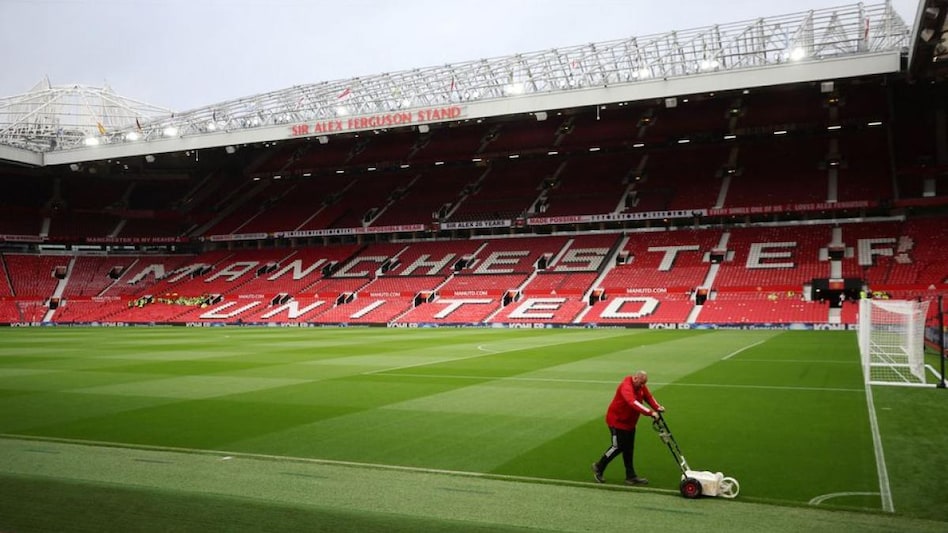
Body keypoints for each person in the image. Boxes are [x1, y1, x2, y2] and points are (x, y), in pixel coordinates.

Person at [592, 370, 664, 485]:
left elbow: (648, 397)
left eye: (644, 384)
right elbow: (633, 402)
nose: (642, 386)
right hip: (617, 421)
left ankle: (630, 476)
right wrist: (651, 413)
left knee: (629, 449)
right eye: (641, 383)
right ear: (635, 378)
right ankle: (598, 466)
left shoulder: (640, 386)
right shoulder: (626, 386)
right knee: (618, 447)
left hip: (629, 423)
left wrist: (657, 407)